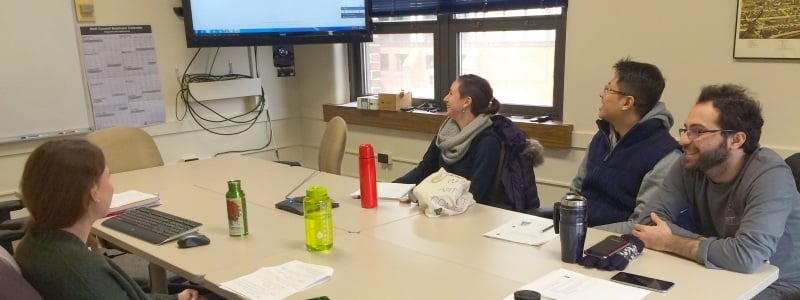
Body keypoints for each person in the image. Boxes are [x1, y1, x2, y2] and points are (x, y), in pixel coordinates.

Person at [632, 84, 800, 299]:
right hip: (721, 271)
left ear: (736, 140)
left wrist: (670, 241)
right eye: (686, 130)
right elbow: (648, 224)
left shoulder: (771, 176)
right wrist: (719, 249)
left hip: (779, 283)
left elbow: (746, 257)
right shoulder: (690, 164)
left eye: (698, 131)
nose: (683, 140)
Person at [14, 139, 205, 300]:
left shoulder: (38, 240)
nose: (112, 186)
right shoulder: (79, 272)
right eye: (108, 176)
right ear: (94, 192)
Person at [570, 58, 681, 233]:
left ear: (627, 102)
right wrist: (566, 225)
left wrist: (583, 234)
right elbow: (575, 192)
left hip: (615, 246)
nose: (601, 94)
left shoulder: (665, 154)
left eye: (608, 89)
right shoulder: (603, 136)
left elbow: (641, 225)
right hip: (578, 234)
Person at [394, 74, 503, 205]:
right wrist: (393, 187)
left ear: (467, 102)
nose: (445, 98)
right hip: (440, 205)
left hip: (469, 212)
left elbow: (476, 194)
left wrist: (436, 201)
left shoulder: (487, 141)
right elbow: (425, 169)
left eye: (451, 94)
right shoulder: (446, 132)